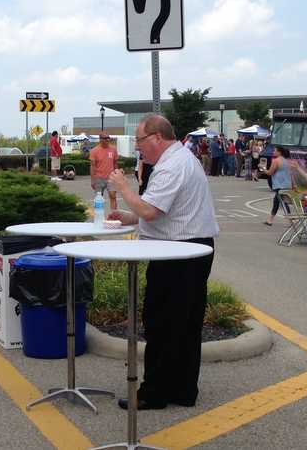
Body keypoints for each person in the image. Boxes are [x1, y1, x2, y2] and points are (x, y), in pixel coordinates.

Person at [105, 113, 218, 410]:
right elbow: (160, 211)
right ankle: (181, 389)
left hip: (179, 253)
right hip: (189, 249)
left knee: (161, 323)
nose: (139, 148)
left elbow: (152, 210)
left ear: (156, 137)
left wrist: (123, 188)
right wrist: (129, 216)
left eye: (140, 141)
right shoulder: (180, 159)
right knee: (183, 324)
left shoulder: (171, 166)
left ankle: (153, 392)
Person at [262, 146, 296, 227]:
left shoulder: (276, 161)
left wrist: (263, 169)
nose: (273, 152)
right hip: (287, 184)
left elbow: (270, 173)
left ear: (279, 152)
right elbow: (291, 174)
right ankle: (270, 220)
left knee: (281, 202)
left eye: (275, 150)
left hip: (279, 184)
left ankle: (290, 221)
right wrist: (293, 184)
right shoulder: (287, 161)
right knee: (279, 202)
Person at [89, 133, 120, 213]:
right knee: (99, 199)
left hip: (111, 178)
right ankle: (98, 216)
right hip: (99, 178)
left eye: (108, 138)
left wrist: (117, 176)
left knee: (113, 196)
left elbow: (115, 163)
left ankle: (114, 215)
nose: (107, 140)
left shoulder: (113, 149)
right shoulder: (94, 151)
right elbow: (92, 166)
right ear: (100, 139)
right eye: (105, 138)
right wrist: (92, 180)